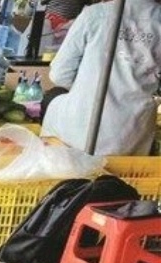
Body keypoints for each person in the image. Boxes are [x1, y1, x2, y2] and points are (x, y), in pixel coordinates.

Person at [40, 0, 161, 156]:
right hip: (134, 132)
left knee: (52, 98)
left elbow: (60, 74)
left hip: (81, 132)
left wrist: (85, 86)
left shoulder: (95, 15)